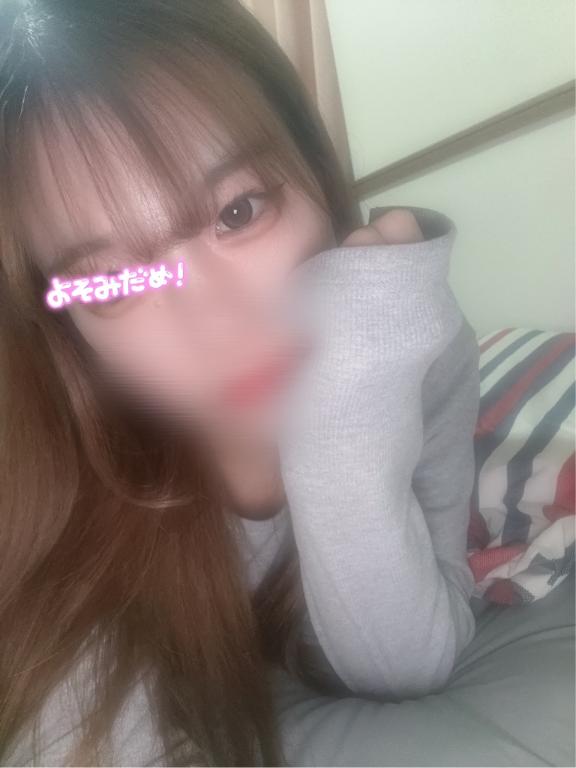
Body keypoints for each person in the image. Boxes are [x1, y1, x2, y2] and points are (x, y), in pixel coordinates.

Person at [0, 1, 480, 765]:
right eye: (111, 283)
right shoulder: (58, 491)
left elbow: (406, 664)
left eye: (238, 210)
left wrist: (340, 430)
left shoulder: (419, 349)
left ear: (314, 172)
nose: (214, 323)